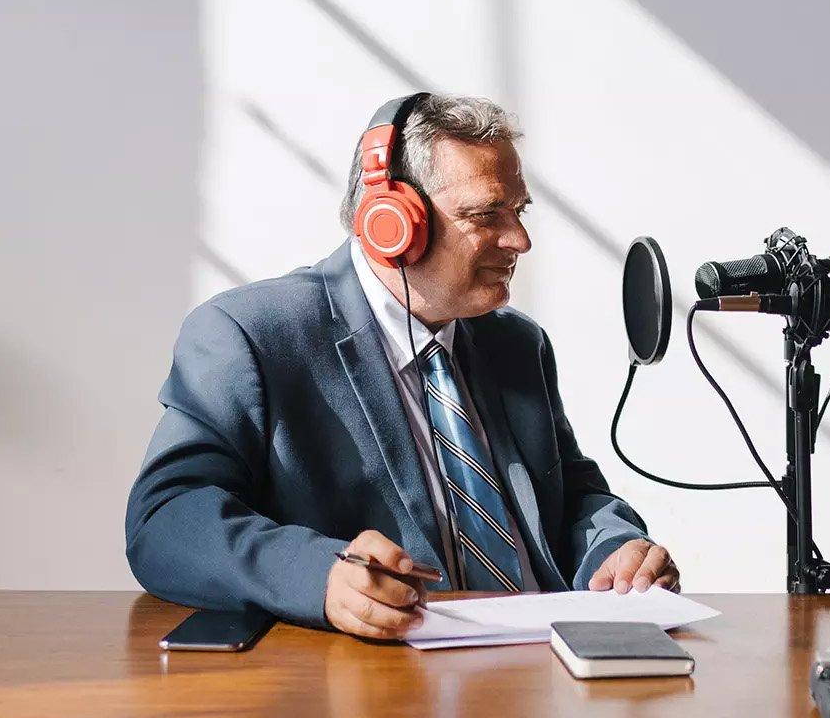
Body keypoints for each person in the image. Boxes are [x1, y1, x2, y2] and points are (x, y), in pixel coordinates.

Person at [127, 93, 678, 640]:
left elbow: (573, 496)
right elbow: (166, 519)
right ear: (391, 223)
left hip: (545, 658)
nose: (520, 240)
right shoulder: (248, 335)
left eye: (520, 211)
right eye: (486, 214)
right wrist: (320, 577)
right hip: (382, 674)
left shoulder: (517, 343)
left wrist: (615, 548)